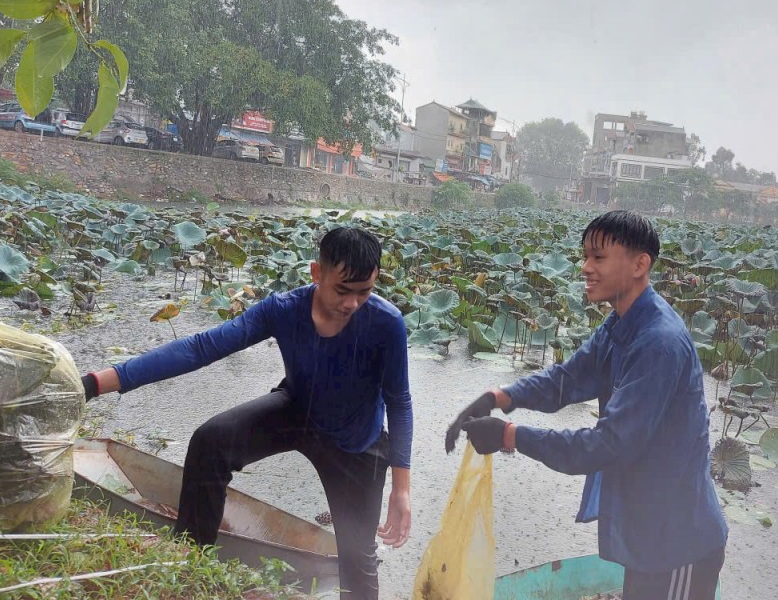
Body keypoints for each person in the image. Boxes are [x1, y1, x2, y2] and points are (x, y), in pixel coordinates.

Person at [82, 226, 412, 600]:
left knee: (357, 561)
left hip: (356, 442)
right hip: (297, 409)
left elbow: (399, 402)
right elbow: (202, 347)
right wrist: (96, 383)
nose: (352, 303)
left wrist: (401, 489)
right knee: (211, 443)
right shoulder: (285, 309)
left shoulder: (386, 324)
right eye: (342, 290)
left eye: (364, 292)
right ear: (316, 273)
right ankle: (189, 567)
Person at [445, 210, 727, 600]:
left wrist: (510, 436)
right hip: (648, 528)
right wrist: (500, 396)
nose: (585, 267)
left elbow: (607, 445)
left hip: (678, 542)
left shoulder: (658, 343)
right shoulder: (620, 325)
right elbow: (569, 378)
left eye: (599, 257)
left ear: (639, 265)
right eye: (585, 256)